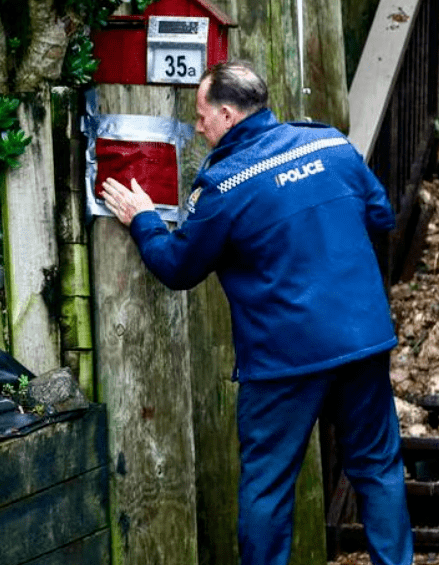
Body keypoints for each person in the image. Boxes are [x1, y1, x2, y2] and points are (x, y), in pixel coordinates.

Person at [100, 60, 413, 565]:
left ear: (227, 114)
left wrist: (143, 222)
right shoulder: (329, 143)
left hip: (283, 359)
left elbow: (178, 268)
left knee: (269, 486)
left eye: (202, 116)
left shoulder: (225, 185)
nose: (198, 126)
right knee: (378, 468)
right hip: (362, 339)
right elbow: (380, 214)